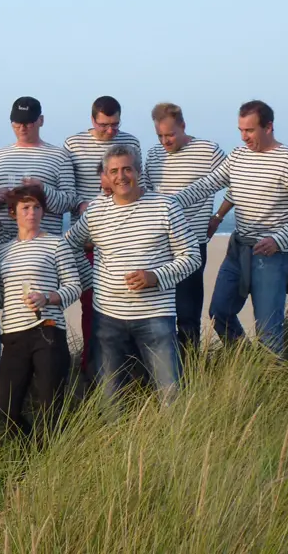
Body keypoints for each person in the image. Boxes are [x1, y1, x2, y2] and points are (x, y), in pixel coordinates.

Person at [173, 100, 288, 355]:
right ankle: (247, 363)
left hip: (271, 254)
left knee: (268, 329)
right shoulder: (239, 156)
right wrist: (167, 204)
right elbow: (208, 184)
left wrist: (278, 239)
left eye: (250, 131)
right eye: (241, 130)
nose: (244, 137)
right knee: (219, 311)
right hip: (239, 248)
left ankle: (272, 382)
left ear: (268, 127)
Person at [66, 145, 201, 405]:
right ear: (105, 175)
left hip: (155, 316)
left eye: (127, 169)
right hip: (107, 318)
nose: (121, 176)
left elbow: (192, 256)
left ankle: (176, 443)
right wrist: (90, 276)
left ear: (138, 171)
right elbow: (68, 245)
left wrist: (156, 276)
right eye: (114, 171)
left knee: (170, 393)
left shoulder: (165, 207)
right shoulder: (95, 211)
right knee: (110, 398)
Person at [0, 185, 81, 438]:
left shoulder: (56, 244)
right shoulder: (5, 250)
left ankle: (49, 460)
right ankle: (26, 449)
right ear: (13, 213)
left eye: (37, 207)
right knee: (4, 405)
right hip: (13, 334)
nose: (31, 212)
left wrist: (47, 298)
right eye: (25, 207)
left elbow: (74, 287)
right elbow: (1, 296)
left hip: (48, 331)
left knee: (50, 403)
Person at [139, 103, 227, 352]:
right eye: (160, 136)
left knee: (188, 314)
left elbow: (238, 179)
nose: (165, 141)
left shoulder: (208, 150)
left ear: (183, 126)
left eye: (170, 134)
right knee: (160, 315)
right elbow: (145, 193)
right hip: (159, 245)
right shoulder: (154, 154)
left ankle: (190, 374)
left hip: (192, 243)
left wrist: (218, 215)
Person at [62, 96, 140, 376]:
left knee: (128, 302)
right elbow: (69, 193)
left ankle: (129, 370)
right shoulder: (73, 144)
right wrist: (89, 208)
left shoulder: (130, 142)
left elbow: (138, 185)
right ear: (93, 120)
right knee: (91, 306)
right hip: (86, 238)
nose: (111, 132)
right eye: (105, 125)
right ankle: (90, 369)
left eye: (116, 125)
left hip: (124, 236)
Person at [0, 96, 77, 244]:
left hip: (45, 246)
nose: (22, 128)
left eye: (28, 123)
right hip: (3, 247)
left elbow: (70, 201)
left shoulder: (59, 156)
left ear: (41, 120)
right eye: (17, 123)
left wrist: (43, 190)